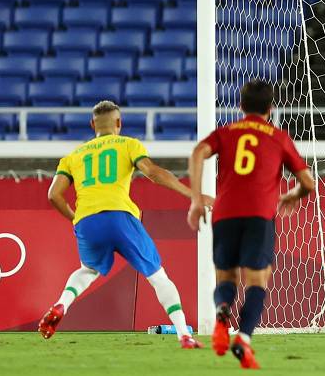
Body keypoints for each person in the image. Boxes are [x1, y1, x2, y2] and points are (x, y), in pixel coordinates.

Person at [38, 100, 212, 349]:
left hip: (87, 220)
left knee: (87, 270)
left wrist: (76, 218)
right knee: (158, 276)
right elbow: (153, 173)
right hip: (120, 216)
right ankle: (184, 334)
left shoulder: (73, 156)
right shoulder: (128, 144)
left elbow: (53, 195)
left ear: (92, 125)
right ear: (119, 123)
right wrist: (194, 195)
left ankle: (61, 304)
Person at [188, 79, 315, 369]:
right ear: (271, 108)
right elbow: (308, 182)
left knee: (226, 277)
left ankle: (222, 312)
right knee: (257, 279)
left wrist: (196, 199)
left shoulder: (226, 132)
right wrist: (293, 194)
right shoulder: (278, 136)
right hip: (259, 213)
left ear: (241, 106)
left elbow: (198, 153)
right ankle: (243, 338)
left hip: (224, 213)